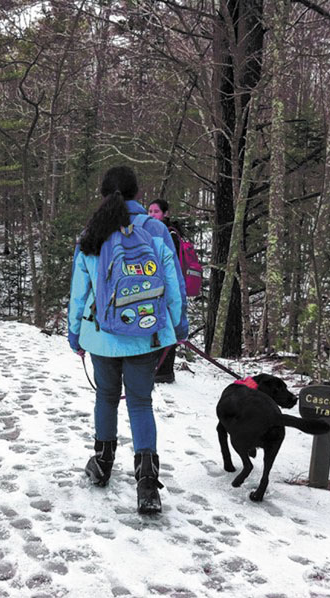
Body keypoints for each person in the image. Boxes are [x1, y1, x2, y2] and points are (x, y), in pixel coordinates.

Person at [68, 166, 188, 514]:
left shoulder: (93, 234)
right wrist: (178, 326)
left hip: (103, 335)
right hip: (146, 334)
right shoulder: (156, 229)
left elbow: (80, 290)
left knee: (106, 397)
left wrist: (75, 331)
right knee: (140, 402)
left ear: (104, 195)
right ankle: (147, 484)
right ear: (138, 194)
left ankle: (102, 465)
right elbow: (173, 281)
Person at [147, 199, 183, 383]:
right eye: (150, 211)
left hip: (168, 286)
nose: (152, 215)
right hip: (156, 285)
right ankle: (158, 368)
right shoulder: (153, 232)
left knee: (168, 325)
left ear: (166, 214)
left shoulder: (169, 234)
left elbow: (171, 266)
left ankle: (164, 371)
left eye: (156, 212)